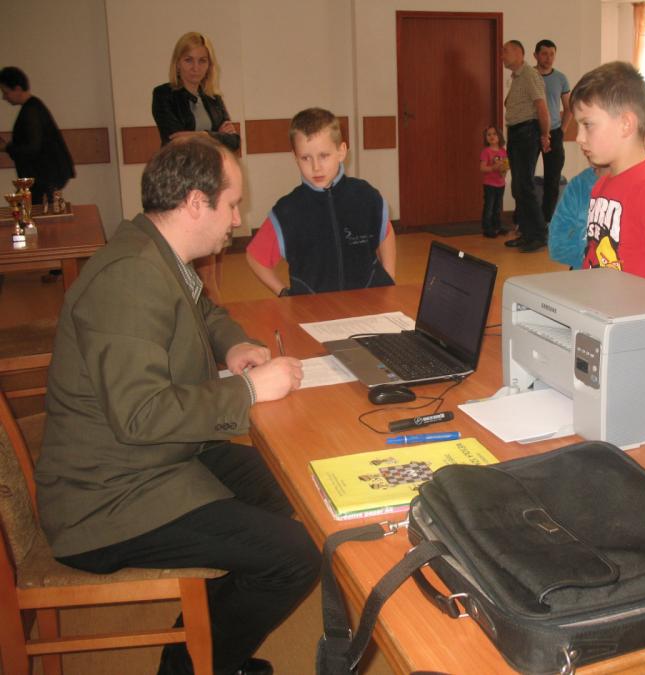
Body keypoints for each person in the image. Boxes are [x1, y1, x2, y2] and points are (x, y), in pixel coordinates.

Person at [35, 136, 321, 675]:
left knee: (291, 485)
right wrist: (250, 390)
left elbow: (202, 313)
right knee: (294, 556)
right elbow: (141, 415)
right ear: (195, 203)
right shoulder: (130, 279)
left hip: (153, 461)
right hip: (106, 499)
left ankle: (202, 647)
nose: (237, 218)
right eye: (231, 204)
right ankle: (189, 668)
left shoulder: (155, 252)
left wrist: (234, 346)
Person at [570, 61, 645, 291]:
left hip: (639, 312)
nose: (579, 137)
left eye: (588, 125)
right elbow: (593, 255)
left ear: (626, 124)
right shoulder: (602, 184)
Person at [246, 107, 396, 296]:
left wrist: (389, 279)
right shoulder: (287, 211)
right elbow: (255, 257)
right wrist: (283, 293)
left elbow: (385, 232)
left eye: (324, 156)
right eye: (305, 158)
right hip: (314, 309)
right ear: (295, 157)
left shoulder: (365, 196)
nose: (316, 167)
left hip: (369, 304)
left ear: (341, 151)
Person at [152, 31, 240, 305]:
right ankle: (204, 312)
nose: (195, 67)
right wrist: (216, 134)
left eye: (202, 61)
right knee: (199, 263)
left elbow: (234, 141)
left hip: (215, 180)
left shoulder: (213, 99)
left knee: (217, 261)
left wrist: (199, 135)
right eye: (189, 60)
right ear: (177, 63)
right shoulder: (164, 95)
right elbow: (174, 138)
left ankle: (214, 310)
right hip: (184, 183)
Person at [502, 39, 551, 253]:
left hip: (527, 133)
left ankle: (539, 235)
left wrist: (545, 135)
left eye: (505, 51)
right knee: (518, 186)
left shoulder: (530, 75)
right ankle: (526, 233)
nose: (502, 56)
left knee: (525, 185)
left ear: (518, 53)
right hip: (516, 133)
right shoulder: (516, 78)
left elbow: (541, 107)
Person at [0, 66, 74, 204]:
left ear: (18, 89)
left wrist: (7, 148)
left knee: (32, 212)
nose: (4, 97)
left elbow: (32, 147)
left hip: (43, 178)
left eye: (6, 92)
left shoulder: (30, 111)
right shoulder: (34, 107)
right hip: (44, 176)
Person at [534, 39, 572, 223]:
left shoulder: (561, 78)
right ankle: (524, 221)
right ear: (536, 55)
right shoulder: (528, 76)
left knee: (553, 179)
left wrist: (562, 131)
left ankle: (546, 221)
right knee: (524, 179)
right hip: (531, 131)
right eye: (544, 54)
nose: (548, 58)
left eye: (551, 54)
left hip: (554, 132)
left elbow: (569, 107)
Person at [548, 154, 606, 269]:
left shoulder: (634, 184)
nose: (582, 145)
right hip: (583, 270)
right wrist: (586, 258)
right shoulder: (580, 183)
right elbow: (557, 241)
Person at [479, 125, 508, 238]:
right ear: (486, 138)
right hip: (489, 185)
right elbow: (482, 168)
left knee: (497, 207)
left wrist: (504, 170)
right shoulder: (486, 151)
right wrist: (493, 168)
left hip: (501, 184)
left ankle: (497, 227)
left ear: (499, 136)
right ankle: (487, 228)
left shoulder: (503, 151)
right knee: (489, 207)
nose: (491, 136)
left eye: (494, 134)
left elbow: (505, 165)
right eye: (488, 135)